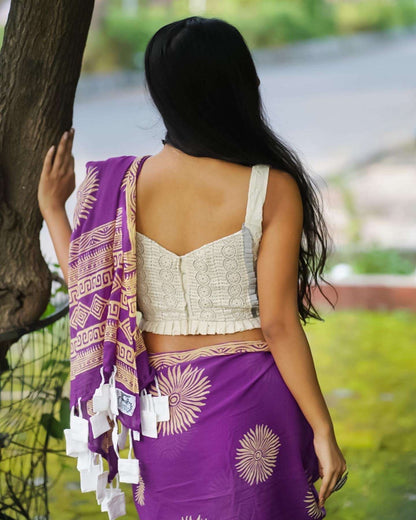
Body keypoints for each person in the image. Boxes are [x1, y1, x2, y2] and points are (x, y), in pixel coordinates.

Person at [38, 15, 347, 520]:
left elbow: (94, 302)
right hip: (253, 406)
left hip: (161, 417)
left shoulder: (117, 185)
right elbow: (278, 324)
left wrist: (54, 209)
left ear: (160, 94)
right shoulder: (271, 187)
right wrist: (322, 428)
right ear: (240, 87)